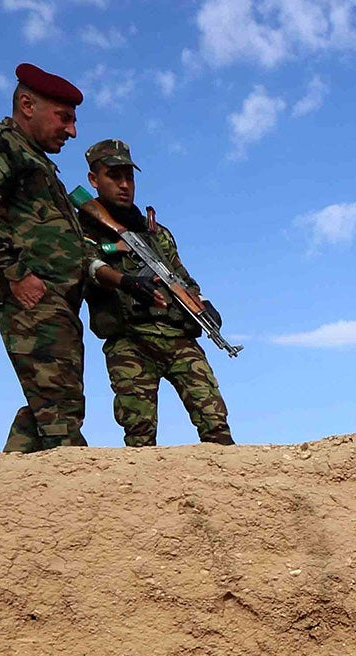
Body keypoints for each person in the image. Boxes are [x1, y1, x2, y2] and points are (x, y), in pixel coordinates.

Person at [0, 63, 160, 452]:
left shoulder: (40, 165)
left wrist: (121, 276)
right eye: (64, 118)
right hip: (33, 294)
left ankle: (5, 490)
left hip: (59, 299)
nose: (72, 131)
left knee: (49, 405)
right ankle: (78, 492)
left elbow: (68, 242)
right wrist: (17, 274)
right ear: (27, 104)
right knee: (60, 407)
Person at [81, 138, 233, 447]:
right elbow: (86, 264)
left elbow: (181, 276)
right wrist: (125, 280)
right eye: (114, 176)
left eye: (129, 177)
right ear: (94, 180)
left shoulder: (156, 233)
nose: (125, 185)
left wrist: (202, 304)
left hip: (177, 338)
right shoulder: (83, 227)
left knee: (216, 427)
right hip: (130, 341)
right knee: (140, 439)